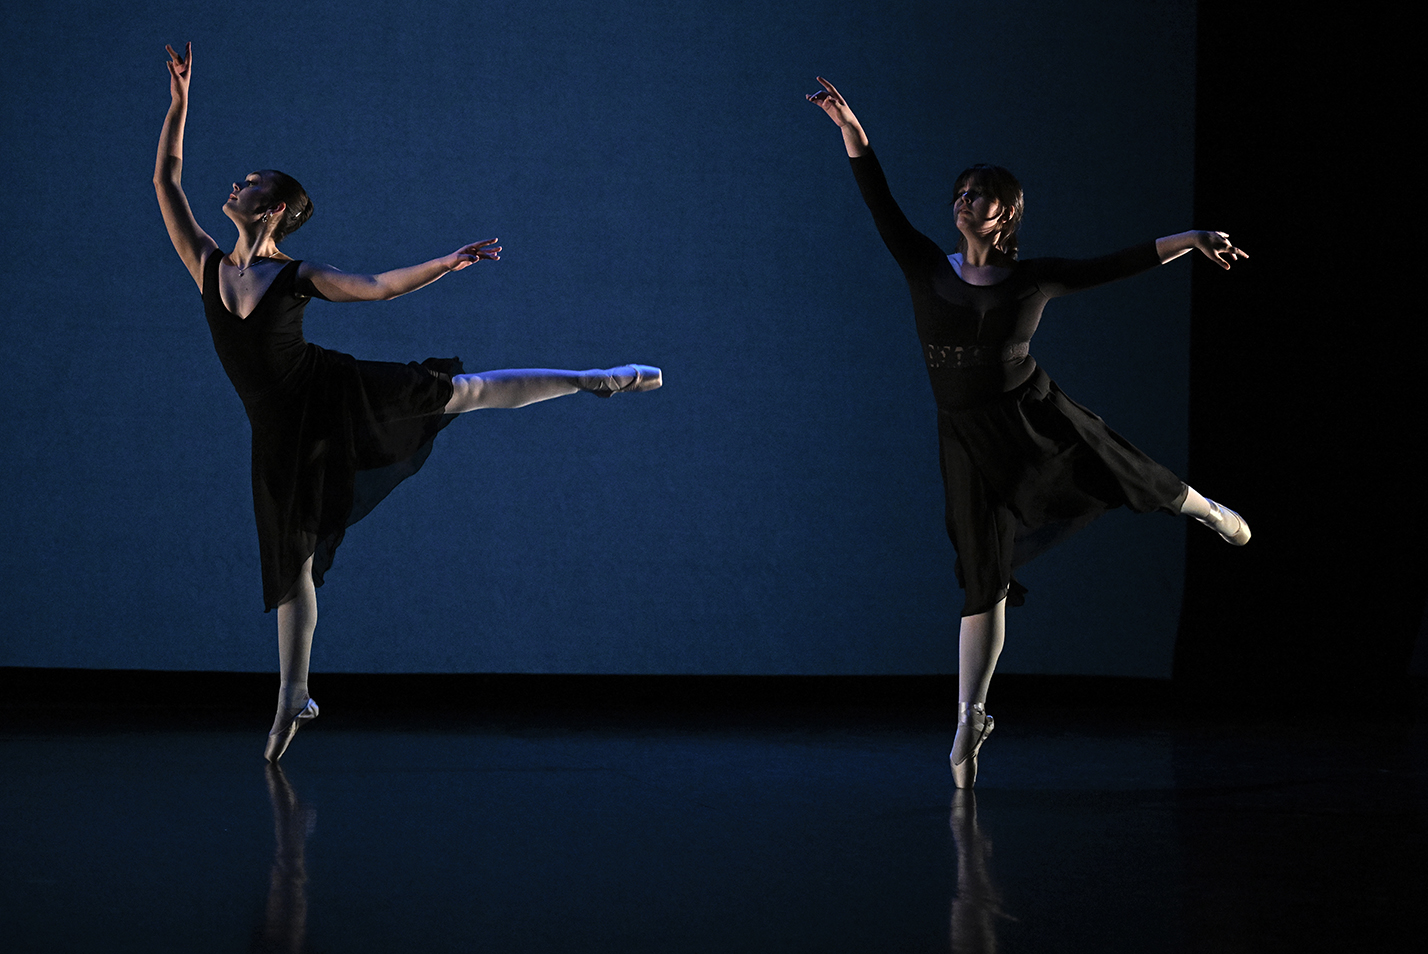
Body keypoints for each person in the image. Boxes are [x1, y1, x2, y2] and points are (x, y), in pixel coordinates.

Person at [155, 43, 662, 762]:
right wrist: (179, 104)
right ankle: (293, 696)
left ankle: (593, 378)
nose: (231, 187)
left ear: (268, 208)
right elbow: (165, 180)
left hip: (330, 396)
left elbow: (378, 286)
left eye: (246, 183)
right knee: (291, 568)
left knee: (463, 393)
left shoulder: (297, 275)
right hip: (276, 434)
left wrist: (446, 263)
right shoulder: (204, 262)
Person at [807, 77, 1249, 787]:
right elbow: (877, 197)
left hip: (1033, 415)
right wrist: (849, 126)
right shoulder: (924, 266)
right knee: (982, 576)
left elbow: (1117, 265)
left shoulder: (1033, 279)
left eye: (976, 194)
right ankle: (970, 717)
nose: (961, 201)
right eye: (958, 192)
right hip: (965, 439)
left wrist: (1191, 239)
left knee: (1124, 470)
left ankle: (1210, 511)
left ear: (1005, 213)